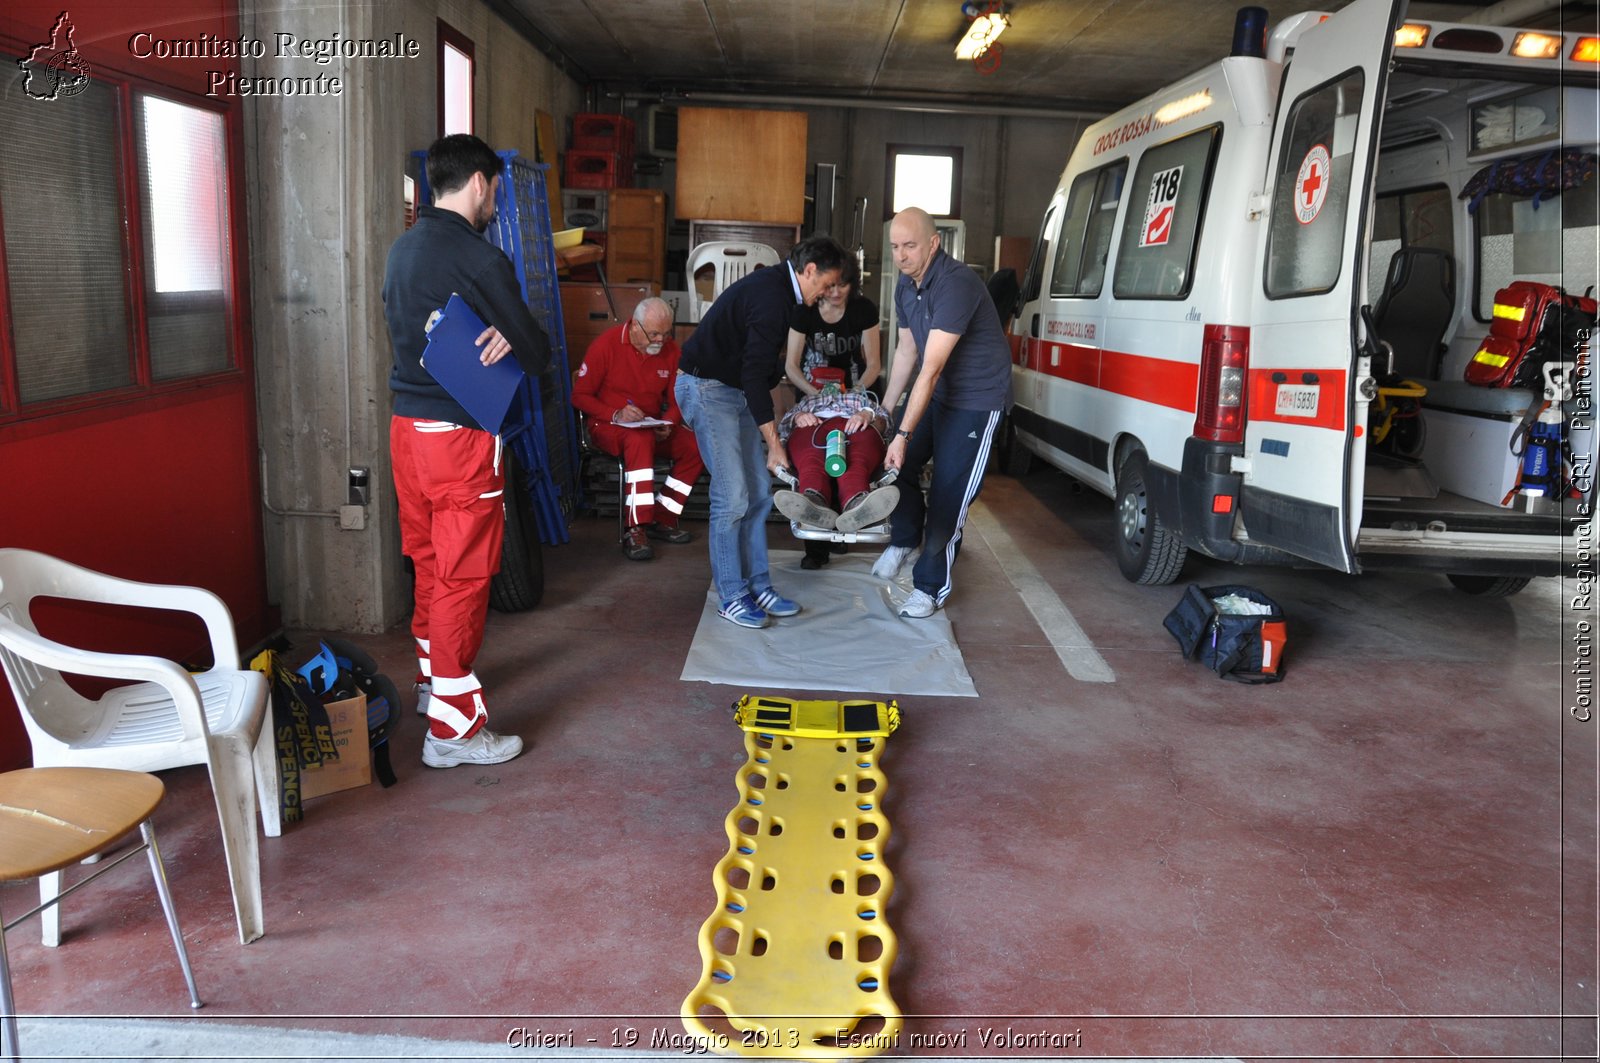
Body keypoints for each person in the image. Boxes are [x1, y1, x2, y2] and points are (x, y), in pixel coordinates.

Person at [383, 133, 550, 768]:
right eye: (495, 191)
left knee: (428, 561)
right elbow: (534, 354)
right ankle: (454, 734)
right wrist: (514, 339)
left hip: (407, 430)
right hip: (457, 437)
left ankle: (434, 686)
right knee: (465, 575)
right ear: (480, 183)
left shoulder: (403, 250)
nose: (494, 202)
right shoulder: (480, 259)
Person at [674, 234, 849, 628]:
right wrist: (774, 443)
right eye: (826, 283)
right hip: (705, 388)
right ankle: (731, 595)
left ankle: (757, 585)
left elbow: (764, 372)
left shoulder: (785, 295)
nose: (828, 292)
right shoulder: (772, 297)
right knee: (732, 496)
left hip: (733, 387)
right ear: (809, 271)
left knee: (757, 496)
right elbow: (756, 376)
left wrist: (790, 417)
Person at [875, 207, 1013, 618]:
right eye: (895, 247)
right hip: (940, 393)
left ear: (934, 243)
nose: (901, 255)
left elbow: (930, 369)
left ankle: (930, 586)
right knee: (895, 467)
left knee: (949, 493)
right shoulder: (905, 285)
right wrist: (885, 415)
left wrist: (903, 434)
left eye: (910, 246)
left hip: (977, 399)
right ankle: (903, 538)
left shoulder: (955, 285)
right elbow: (906, 352)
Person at [571, 297, 705, 561]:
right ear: (634, 326)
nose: (660, 340)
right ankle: (635, 528)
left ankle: (663, 517)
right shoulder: (606, 345)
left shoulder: (670, 350)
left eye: (666, 334)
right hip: (607, 425)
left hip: (650, 426)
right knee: (639, 442)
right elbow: (579, 397)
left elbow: (679, 395)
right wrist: (615, 413)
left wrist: (669, 422)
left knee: (694, 447)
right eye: (654, 333)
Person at [772, 387, 899, 569]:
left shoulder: (862, 400)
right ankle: (812, 501)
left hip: (855, 424)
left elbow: (885, 424)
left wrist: (867, 415)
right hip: (813, 426)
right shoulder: (809, 401)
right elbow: (784, 426)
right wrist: (797, 417)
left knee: (855, 463)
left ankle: (857, 504)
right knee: (811, 462)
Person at [784, 261, 881, 396]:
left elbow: (874, 365)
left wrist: (854, 393)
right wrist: (814, 394)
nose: (836, 293)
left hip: (855, 387)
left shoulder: (864, 309)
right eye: (830, 286)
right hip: (811, 388)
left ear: (852, 284)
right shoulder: (804, 309)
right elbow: (791, 365)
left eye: (842, 285)